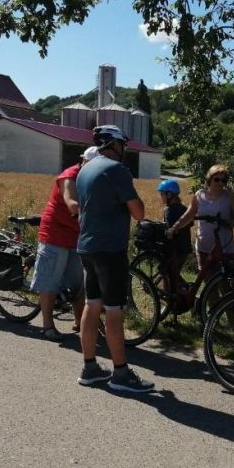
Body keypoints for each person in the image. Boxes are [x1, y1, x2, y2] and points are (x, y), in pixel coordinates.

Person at [75, 125, 153, 393]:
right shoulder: (116, 170)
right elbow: (139, 212)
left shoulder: (85, 170)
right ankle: (120, 374)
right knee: (114, 311)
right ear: (114, 144)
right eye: (123, 145)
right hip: (110, 249)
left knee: (91, 304)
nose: (125, 150)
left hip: (87, 246)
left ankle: (90, 367)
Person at [30, 146, 99, 340]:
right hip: (56, 232)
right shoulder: (69, 175)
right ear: (82, 161)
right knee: (50, 280)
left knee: (78, 283)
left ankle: (81, 323)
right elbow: (71, 202)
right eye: (89, 164)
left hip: (77, 236)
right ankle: (47, 325)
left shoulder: (94, 179)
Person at [166, 164, 234, 278]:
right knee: (208, 287)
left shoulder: (230, 197)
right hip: (203, 247)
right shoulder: (199, 195)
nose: (221, 183)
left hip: (224, 249)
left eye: (224, 180)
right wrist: (174, 228)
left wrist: (228, 223)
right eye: (217, 179)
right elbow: (189, 215)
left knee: (225, 287)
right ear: (209, 179)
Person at [156, 179, 193, 298]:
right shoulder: (183, 208)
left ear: (169, 194)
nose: (161, 197)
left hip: (176, 249)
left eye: (162, 194)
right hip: (184, 247)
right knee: (171, 272)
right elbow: (190, 223)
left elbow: (167, 230)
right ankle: (183, 292)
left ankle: (186, 296)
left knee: (169, 274)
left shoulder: (170, 211)